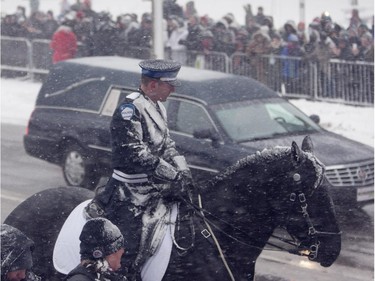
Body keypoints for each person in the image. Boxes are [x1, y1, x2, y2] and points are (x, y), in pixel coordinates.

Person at [85, 59, 195, 280]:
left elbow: (167, 145)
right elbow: (136, 154)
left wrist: (184, 172)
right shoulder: (128, 110)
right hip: (127, 193)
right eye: (169, 84)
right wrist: (172, 175)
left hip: (154, 188)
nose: (173, 89)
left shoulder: (158, 107)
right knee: (128, 252)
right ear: (153, 85)